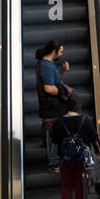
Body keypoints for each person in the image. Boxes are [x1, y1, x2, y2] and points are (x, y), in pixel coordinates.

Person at [51, 93, 98, 199]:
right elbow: (93, 138)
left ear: (67, 106)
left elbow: (55, 140)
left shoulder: (59, 122)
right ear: (79, 106)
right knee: (80, 186)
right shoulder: (86, 120)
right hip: (82, 160)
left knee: (66, 185)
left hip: (65, 159)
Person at [35, 39, 71, 169]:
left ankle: (47, 148)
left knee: (52, 131)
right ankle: (53, 162)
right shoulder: (46, 66)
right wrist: (64, 91)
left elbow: (54, 80)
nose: (61, 54)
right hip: (52, 107)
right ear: (54, 52)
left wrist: (62, 70)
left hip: (51, 107)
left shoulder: (47, 64)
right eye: (60, 52)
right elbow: (49, 88)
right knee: (55, 132)